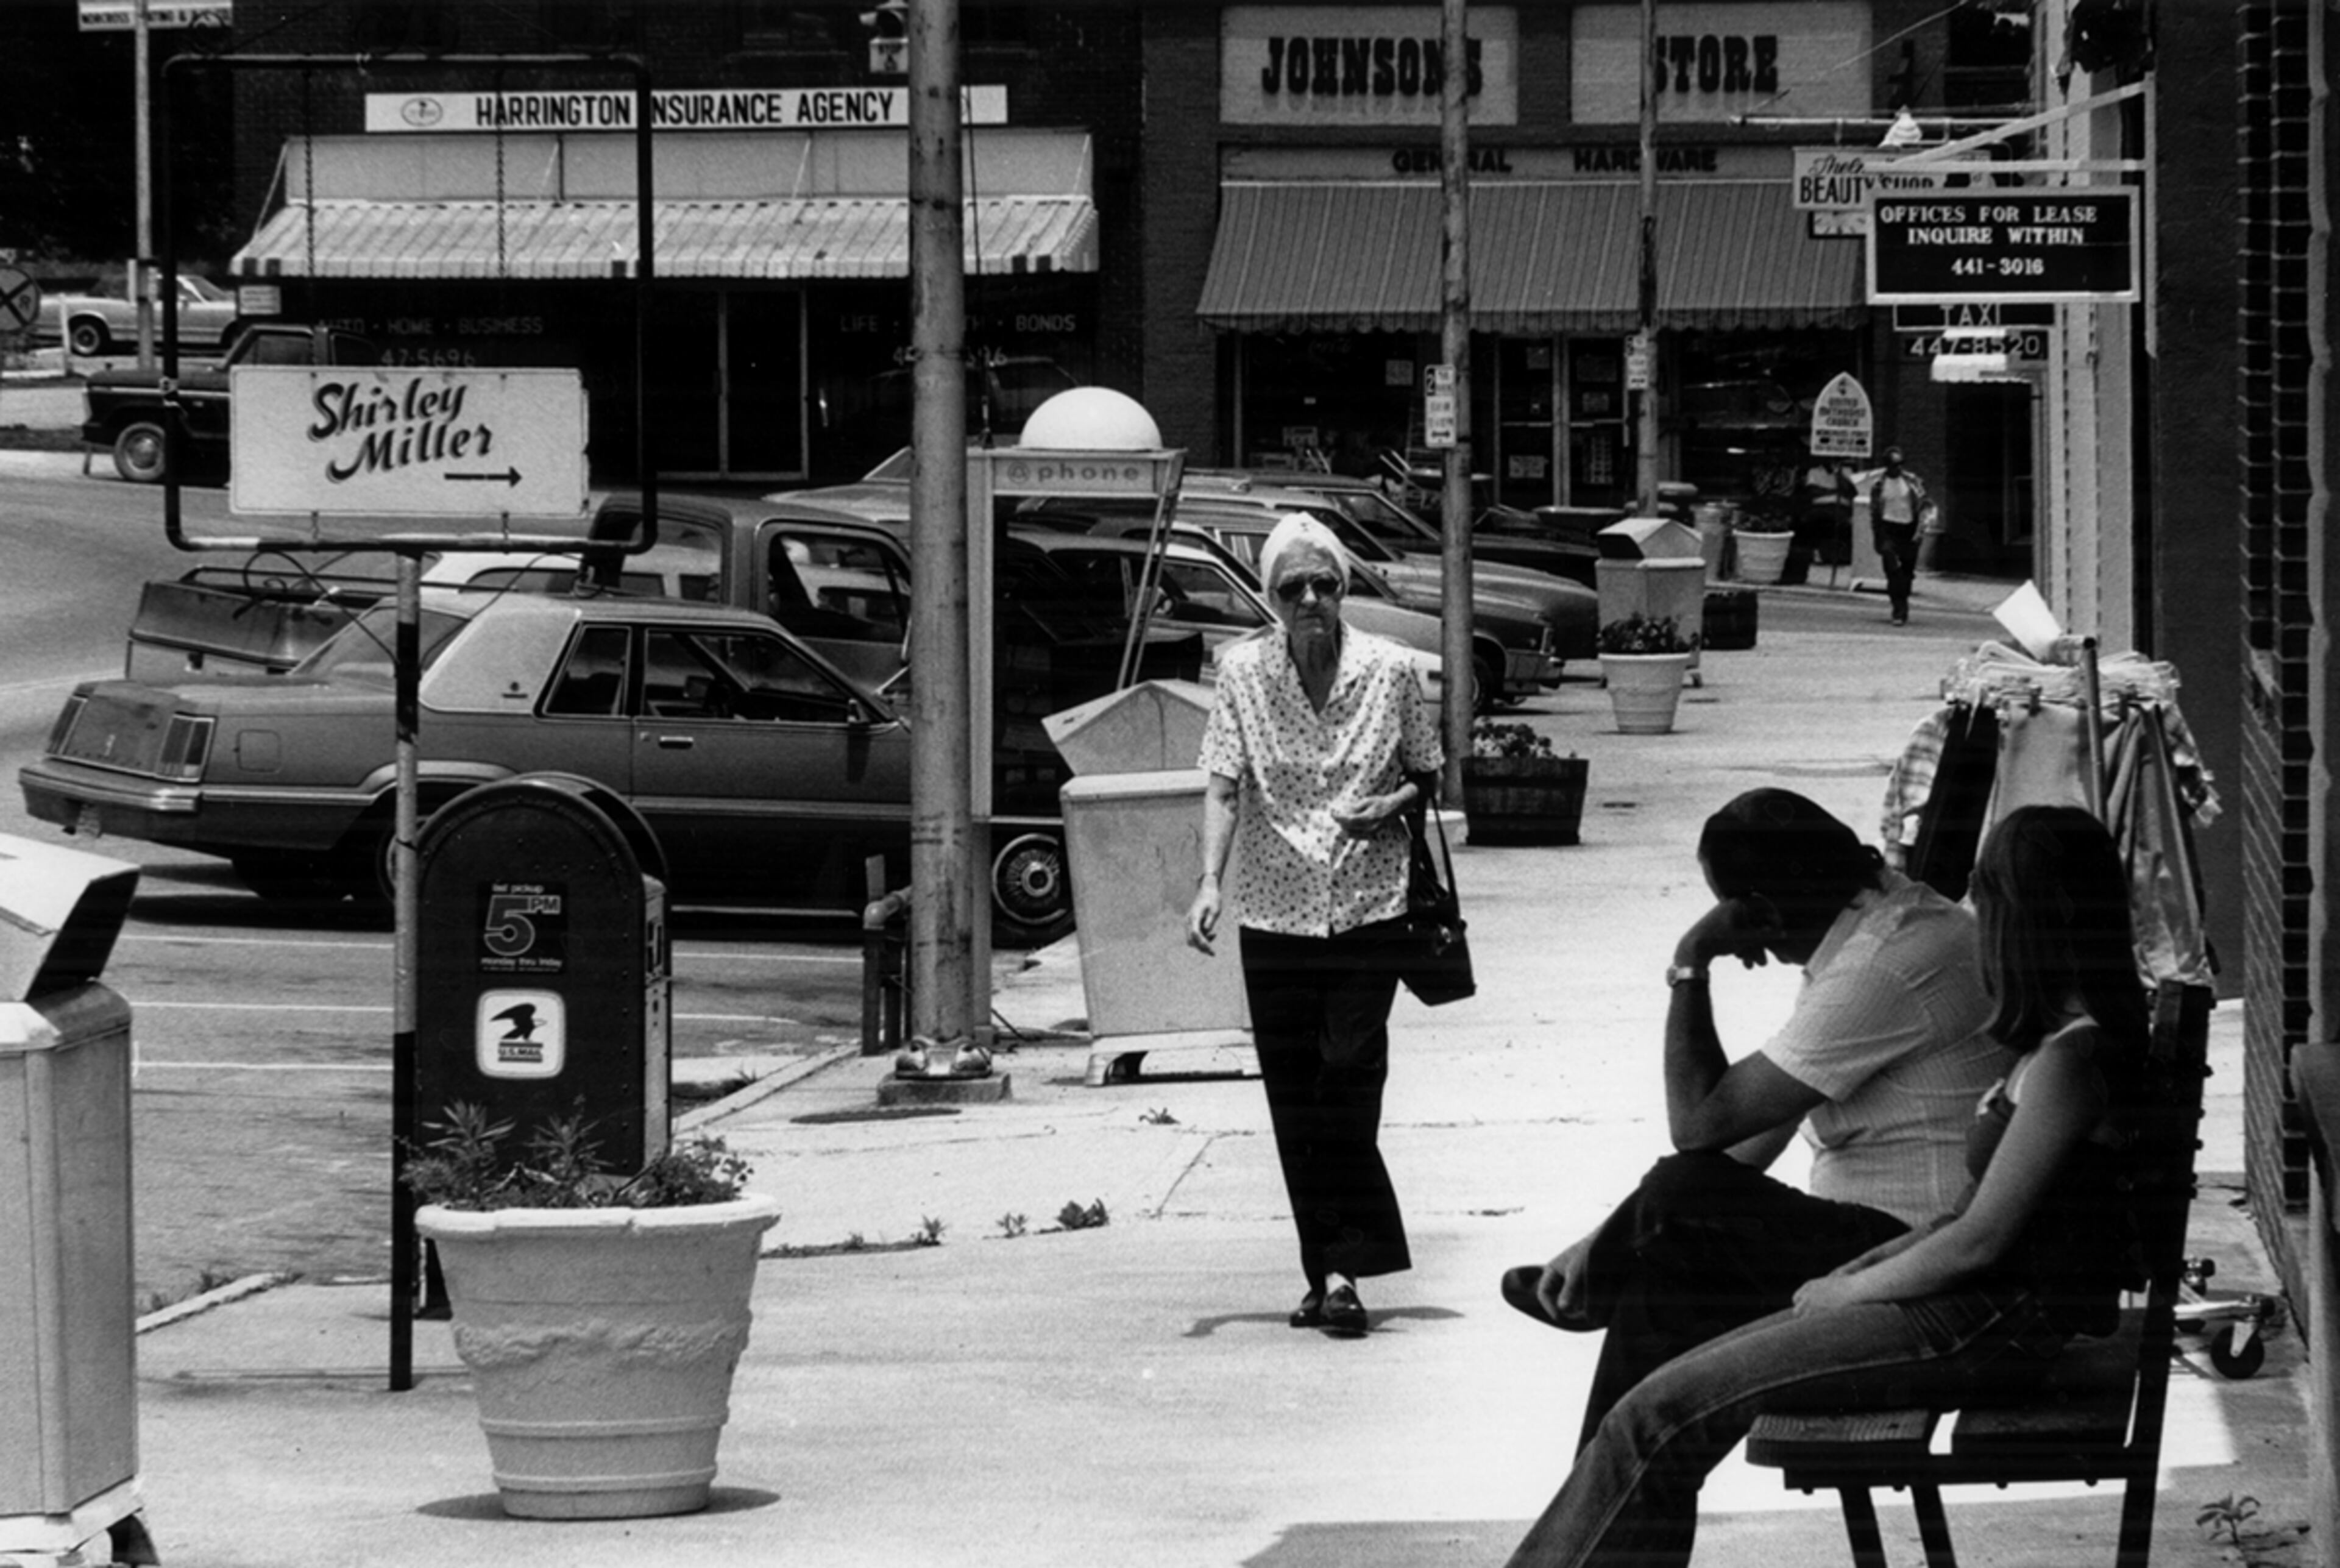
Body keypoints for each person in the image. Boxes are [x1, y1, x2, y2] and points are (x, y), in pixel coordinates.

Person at [1502, 804, 2154, 1568]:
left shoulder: (2066, 1059)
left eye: (1992, 902)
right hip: (1951, 1301)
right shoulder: (2053, 1046)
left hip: (1975, 1319)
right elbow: (1962, 1214)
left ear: (2034, 918)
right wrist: (1853, 1273)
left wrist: (1852, 1292)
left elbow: (1982, 1240)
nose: (1979, 923)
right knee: (1650, 1386)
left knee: (1655, 1407)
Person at [1500, 788, 2006, 1450]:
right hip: (1875, 1247)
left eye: (1727, 905)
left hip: (1908, 1257)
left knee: (1677, 1215)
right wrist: (1608, 1236)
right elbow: (1740, 1144)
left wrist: (1692, 960)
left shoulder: (1882, 966)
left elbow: (1699, 1124)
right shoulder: (1883, 923)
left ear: (1760, 908)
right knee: (1664, 1276)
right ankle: (1599, 1514)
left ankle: (1594, 1517)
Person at [1185, 512, 1442, 1338]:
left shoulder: (1393, 670)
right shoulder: (1241, 673)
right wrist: (1207, 884)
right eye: (1291, 587)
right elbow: (1224, 786)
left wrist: (1389, 805)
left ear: (1343, 589)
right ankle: (1330, 1273)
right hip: (1273, 907)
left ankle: (1345, 1262)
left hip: (1371, 903)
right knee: (1297, 1097)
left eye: (1323, 585)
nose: (1309, 600)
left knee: (1348, 1071)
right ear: (1269, 596)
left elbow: (1427, 776)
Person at [1868, 445, 1930, 626]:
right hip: (1888, 528)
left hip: (1909, 528)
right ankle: (1899, 610)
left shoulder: (1912, 481)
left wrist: (1921, 530)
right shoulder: (1879, 485)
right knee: (1892, 568)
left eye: (1900, 464)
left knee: (1906, 572)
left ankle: (1903, 598)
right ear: (1887, 466)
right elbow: (1874, 512)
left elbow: (1925, 505)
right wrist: (1877, 537)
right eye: (1894, 465)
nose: (1898, 468)